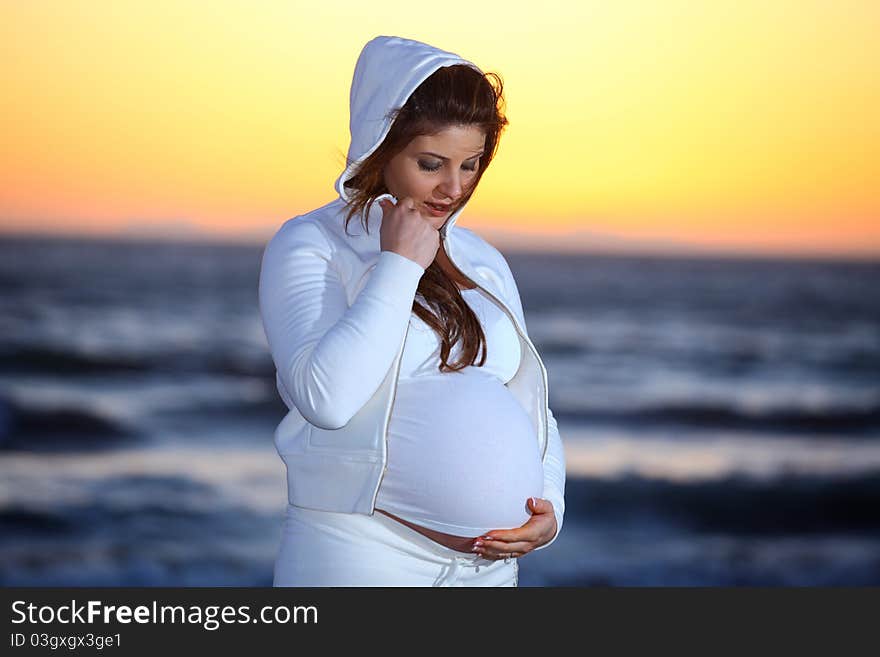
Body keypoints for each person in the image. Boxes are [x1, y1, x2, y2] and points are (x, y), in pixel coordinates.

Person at [258, 35, 566, 587]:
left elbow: (529, 402)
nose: (454, 187)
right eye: (432, 164)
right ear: (381, 145)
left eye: (471, 165)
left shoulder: (483, 259)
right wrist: (398, 266)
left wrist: (551, 509)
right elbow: (325, 398)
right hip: (361, 556)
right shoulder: (312, 243)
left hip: (487, 576)